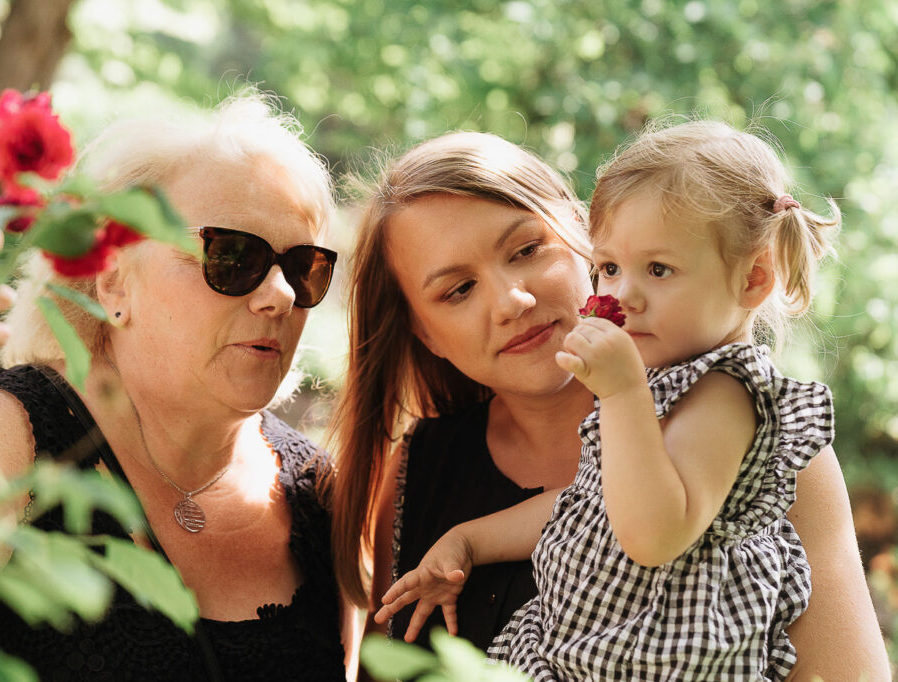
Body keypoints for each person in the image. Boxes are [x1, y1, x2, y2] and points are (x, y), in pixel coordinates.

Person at [330, 130, 891, 680]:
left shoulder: (754, 443)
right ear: (425, 333)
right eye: (458, 290)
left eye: (527, 250)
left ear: (582, 232)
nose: (512, 301)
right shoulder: (417, 471)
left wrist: (623, 390)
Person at [0, 94, 353, 681]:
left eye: (303, 266)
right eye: (233, 256)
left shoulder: (318, 493)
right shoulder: (11, 433)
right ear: (112, 284)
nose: (280, 294)